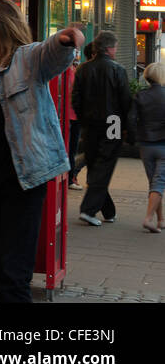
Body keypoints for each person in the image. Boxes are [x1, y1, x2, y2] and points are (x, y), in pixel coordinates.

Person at [0, 0, 83, 302]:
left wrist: (65, 38)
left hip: (24, 178)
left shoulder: (26, 59)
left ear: (1, 25)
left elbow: (51, 53)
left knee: (14, 271)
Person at [72, 32, 131, 226]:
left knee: (96, 164)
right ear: (109, 48)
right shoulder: (118, 70)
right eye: (115, 47)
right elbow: (125, 101)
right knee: (104, 164)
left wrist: (83, 119)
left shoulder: (82, 69)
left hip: (90, 124)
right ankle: (89, 210)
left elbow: (76, 100)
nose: (115, 51)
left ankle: (108, 211)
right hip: (112, 123)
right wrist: (128, 129)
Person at [129, 63, 165, 232]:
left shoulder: (140, 95)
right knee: (159, 183)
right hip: (163, 145)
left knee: (154, 183)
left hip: (146, 145)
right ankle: (149, 218)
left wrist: (133, 137)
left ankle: (161, 219)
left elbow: (131, 120)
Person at [64, 63, 82, 190]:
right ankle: (69, 178)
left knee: (72, 149)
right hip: (67, 116)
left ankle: (70, 177)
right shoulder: (68, 71)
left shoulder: (76, 70)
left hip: (74, 116)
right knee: (69, 149)